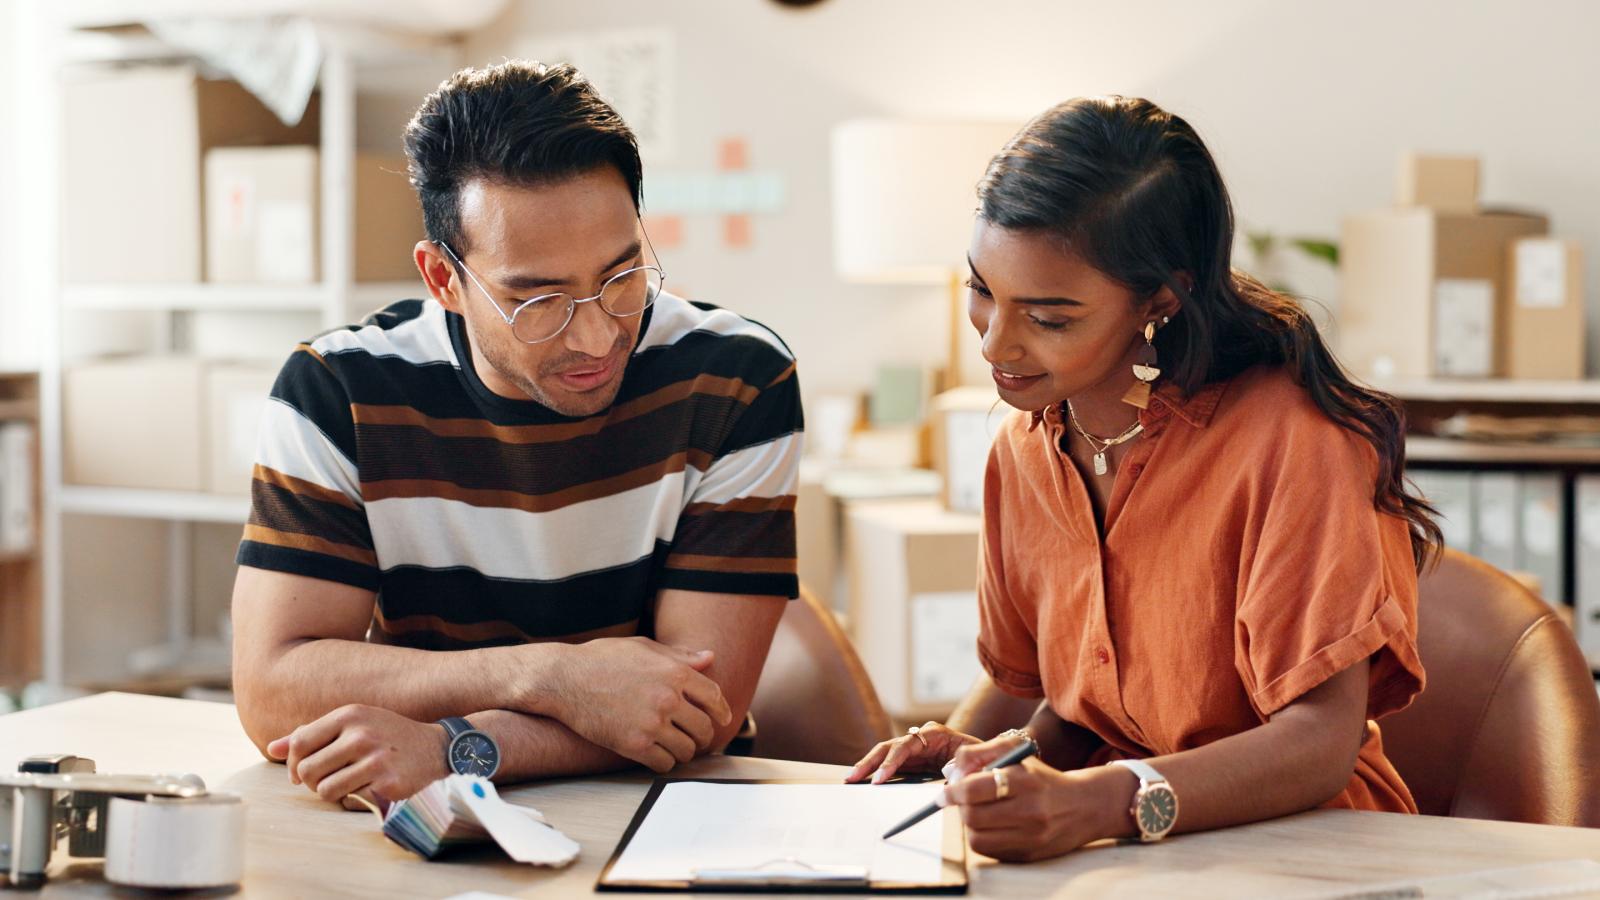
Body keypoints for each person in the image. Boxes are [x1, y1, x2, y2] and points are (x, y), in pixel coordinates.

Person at [848, 96, 1438, 862]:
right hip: (1128, 855)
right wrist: (970, 759)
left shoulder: (1295, 443)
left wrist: (1101, 801)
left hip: (1316, 849)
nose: (997, 342)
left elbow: (1320, 744)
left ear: (1160, 298)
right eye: (982, 290)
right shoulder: (1023, 451)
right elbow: (1056, 702)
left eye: (1050, 318)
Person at [229, 61, 803, 807]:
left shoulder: (737, 381)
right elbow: (272, 693)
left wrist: (456, 747)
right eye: (538, 300)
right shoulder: (338, 390)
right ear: (443, 280)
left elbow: (699, 714)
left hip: (661, 805)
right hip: (416, 812)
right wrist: (550, 676)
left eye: (622, 276)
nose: (596, 337)